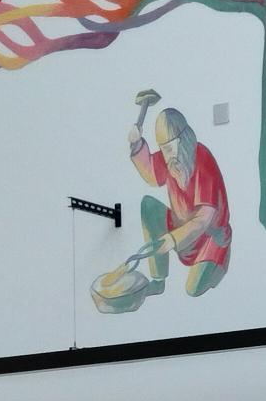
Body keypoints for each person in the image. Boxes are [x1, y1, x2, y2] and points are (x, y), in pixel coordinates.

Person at [92, 98, 230, 312]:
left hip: (209, 239)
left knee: (193, 289)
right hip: (181, 229)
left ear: (184, 139)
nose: (169, 155)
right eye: (164, 149)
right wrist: (137, 144)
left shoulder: (202, 160)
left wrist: (173, 239)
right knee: (148, 206)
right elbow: (151, 172)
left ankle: (218, 267)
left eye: (171, 147)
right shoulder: (169, 160)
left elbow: (204, 218)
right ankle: (158, 281)